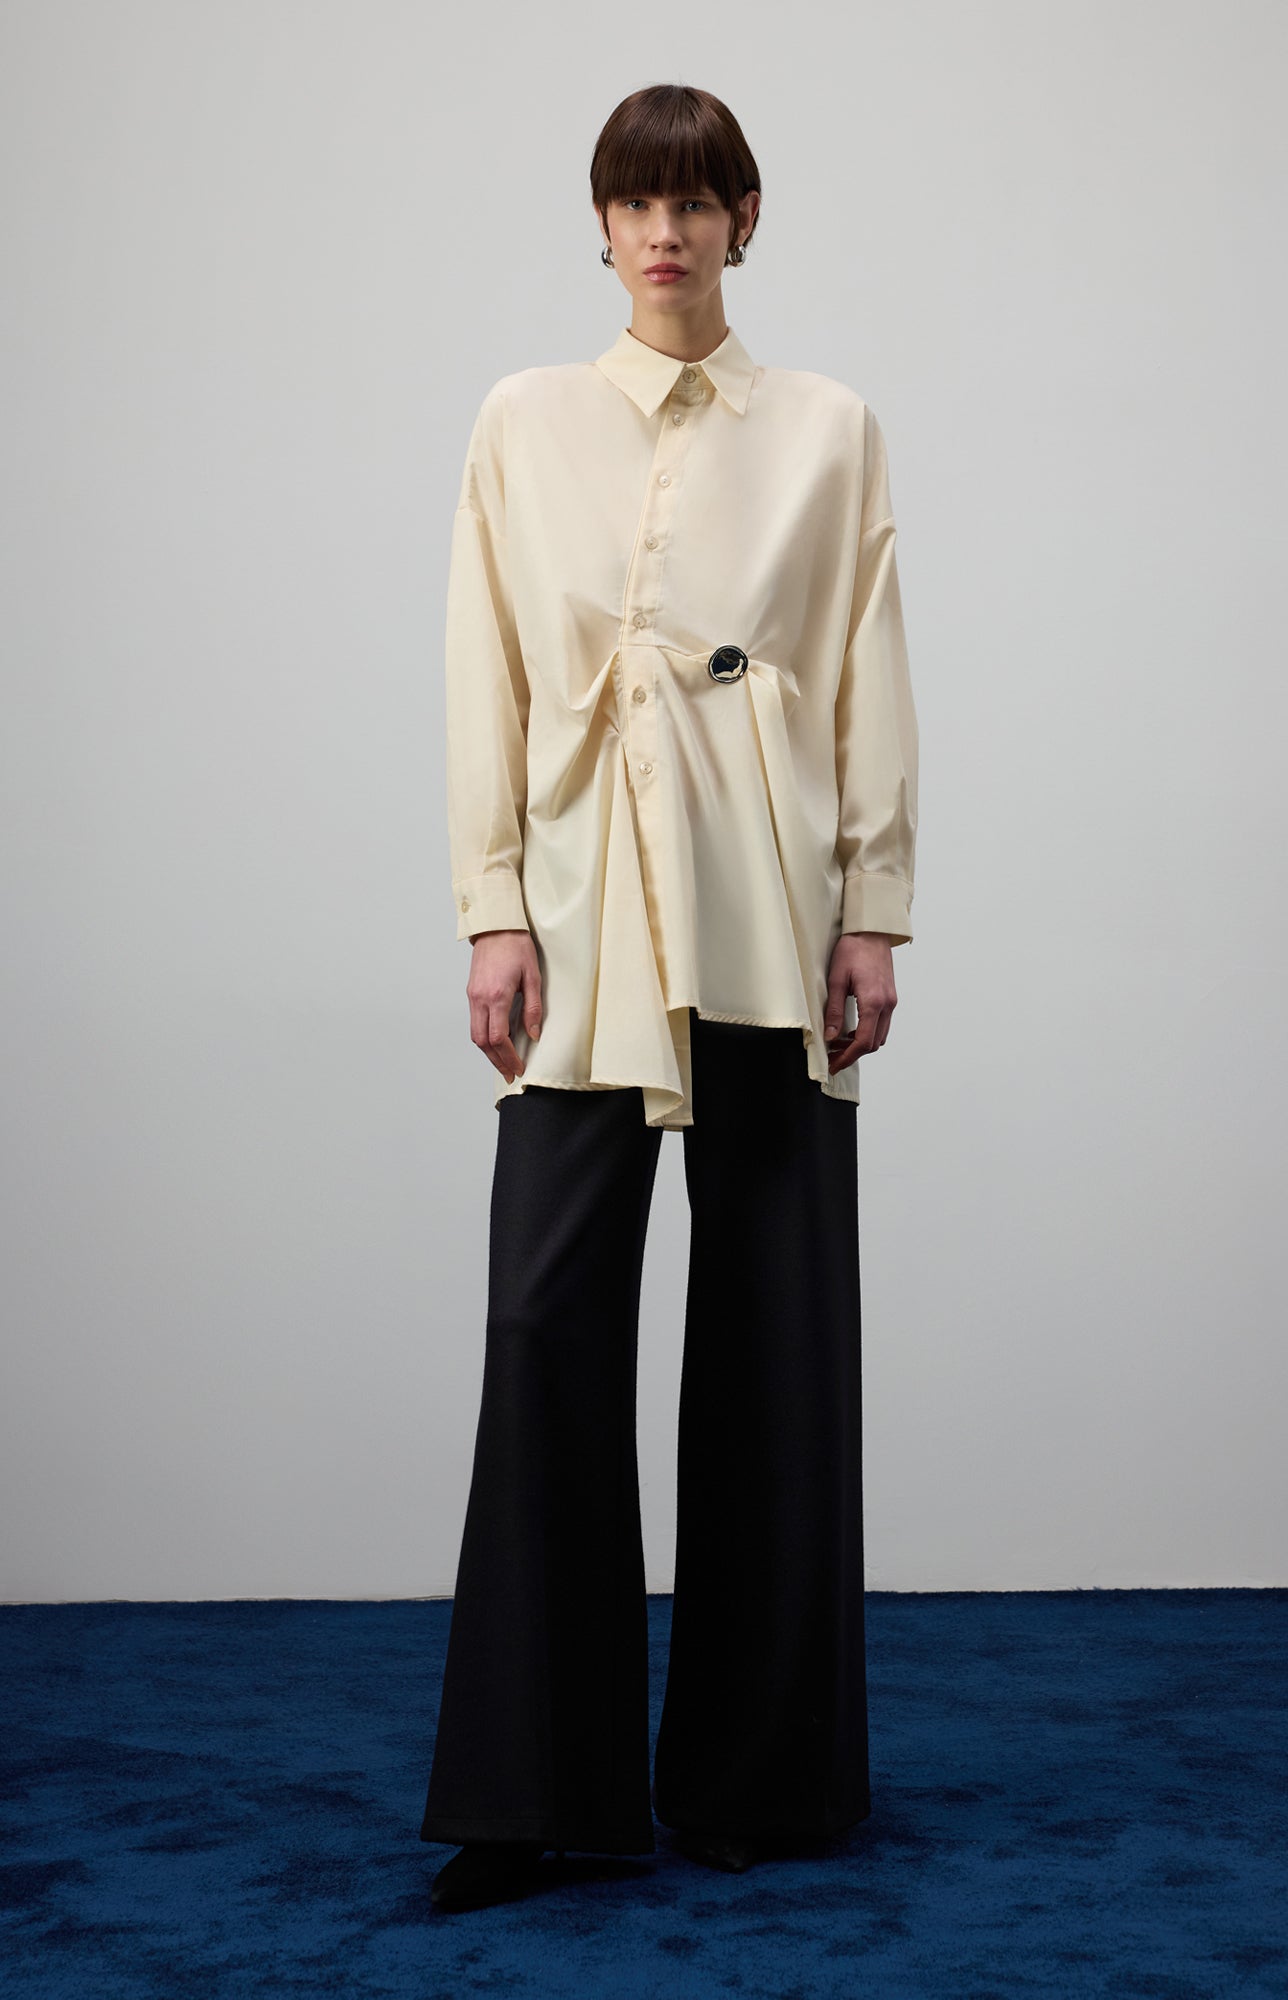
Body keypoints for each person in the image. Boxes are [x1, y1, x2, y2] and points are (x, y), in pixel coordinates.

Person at [420, 81, 919, 1915]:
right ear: (601, 223)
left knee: (779, 1337)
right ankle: (526, 1792)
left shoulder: (828, 429)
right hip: (579, 915)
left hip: (772, 915)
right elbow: (481, 668)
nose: (665, 232)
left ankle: (758, 1781)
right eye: (636, 201)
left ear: (744, 221)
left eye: (696, 201)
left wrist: (874, 911)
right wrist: (493, 908)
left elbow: (865, 663)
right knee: (543, 1325)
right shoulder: (523, 420)